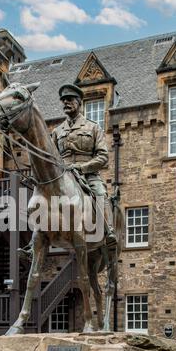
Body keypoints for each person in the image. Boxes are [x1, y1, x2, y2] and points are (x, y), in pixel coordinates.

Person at [18, 83, 116, 260]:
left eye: (70, 100)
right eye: (63, 101)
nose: (66, 103)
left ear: (79, 102)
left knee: (101, 193)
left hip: (87, 174)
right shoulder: (57, 131)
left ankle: (109, 231)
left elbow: (103, 157)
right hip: (63, 177)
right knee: (40, 201)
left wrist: (81, 167)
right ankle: (34, 246)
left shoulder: (93, 128)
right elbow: (49, 157)